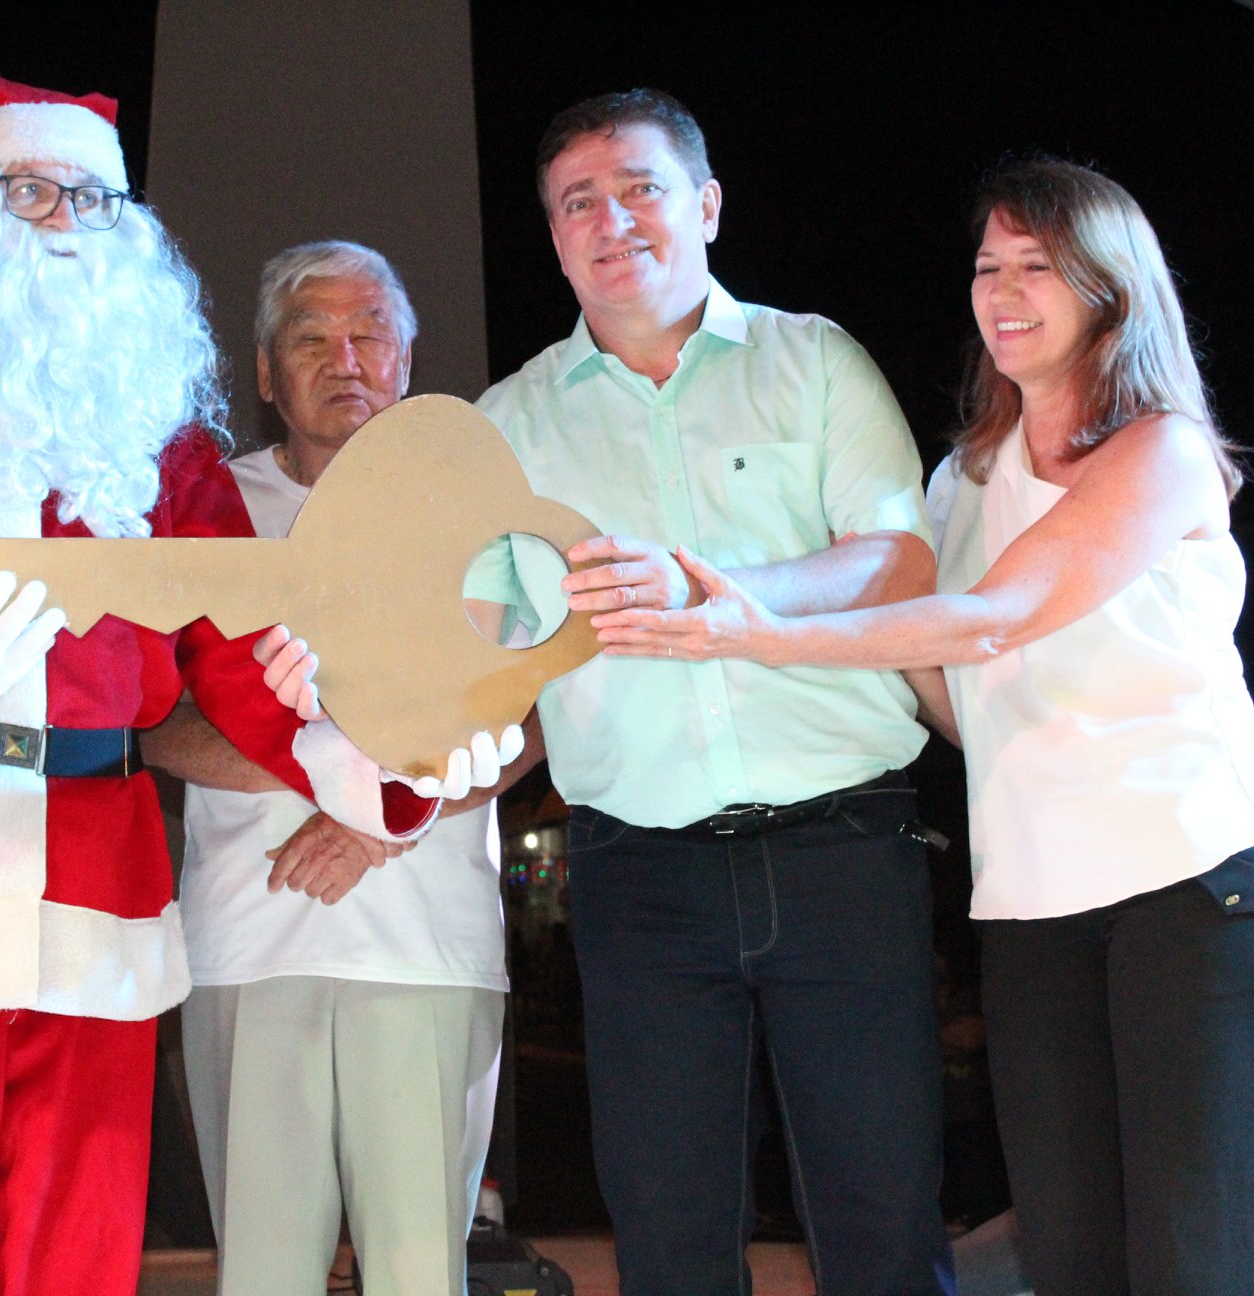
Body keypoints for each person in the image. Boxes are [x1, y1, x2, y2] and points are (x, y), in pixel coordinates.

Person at [0, 77, 495, 1296]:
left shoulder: (161, 436)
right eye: (27, 190)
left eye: (88, 199)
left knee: (77, 1264)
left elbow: (243, 653)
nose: (60, 221)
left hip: (92, 890)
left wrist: (377, 770)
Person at [613, 157, 1254, 1296]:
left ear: (1113, 291)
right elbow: (951, 692)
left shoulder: (1161, 451)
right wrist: (804, 621)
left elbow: (996, 618)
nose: (1004, 291)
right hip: (1033, 897)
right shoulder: (960, 483)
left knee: (1187, 1258)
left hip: (1194, 882)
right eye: (989, 267)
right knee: (1071, 1258)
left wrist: (762, 632)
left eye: (1039, 266)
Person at [466, 89, 953, 1294]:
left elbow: (900, 562)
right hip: (638, 874)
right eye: (578, 201)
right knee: (670, 1234)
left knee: (884, 1221)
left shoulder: (813, 358)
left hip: (845, 847)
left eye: (641, 187)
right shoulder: (505, 424)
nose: (612, 219)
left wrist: (715, 593)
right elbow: (479, 648)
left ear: (709, 205)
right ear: (554, 236)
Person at [141, 241, 523, 1295]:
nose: (343, 359)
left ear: (406, 358)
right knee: (263, 1272)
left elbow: (523, 716)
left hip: (427, 946)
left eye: (369, 334)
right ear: (267, 374)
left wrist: (372, 824)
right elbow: (153, 719)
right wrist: (332, 781)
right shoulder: (209, 509)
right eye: (310, 339)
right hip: (250, 939)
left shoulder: (479, 506)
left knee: (420, 1272)